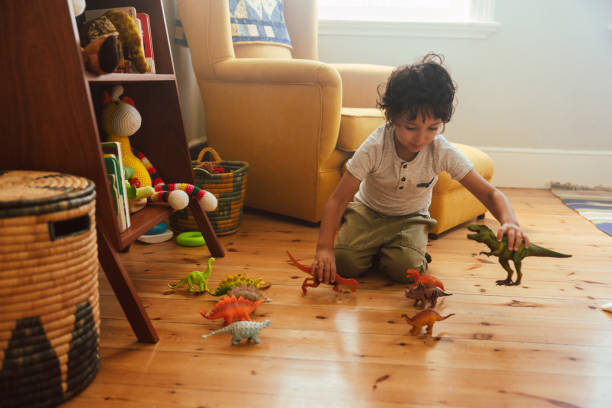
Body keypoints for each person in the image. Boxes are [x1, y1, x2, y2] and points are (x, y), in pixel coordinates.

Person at [312, 53, 530, 285]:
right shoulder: (375, 146)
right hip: (367, 212)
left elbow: (490, 193)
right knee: (344, 264)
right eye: (411, 127)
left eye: (432, 128)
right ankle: (380, 249)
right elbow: (338, 199)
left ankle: (404, 252)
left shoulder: (440, 150)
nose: (421, 138)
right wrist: (324, 248)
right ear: (392, 116)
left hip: (411, 219)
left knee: (404, 271)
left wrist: (510, 222)